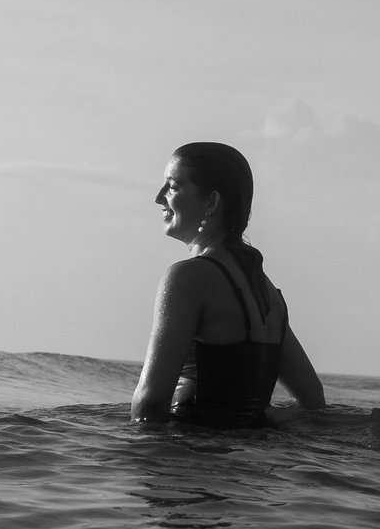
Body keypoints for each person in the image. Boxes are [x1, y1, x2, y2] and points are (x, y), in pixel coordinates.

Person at [131, 142, 324, 426]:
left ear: (211, 202)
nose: (159, 198)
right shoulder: (266, 290)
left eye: (172, 187)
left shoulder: (187, 278)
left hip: (194, 460)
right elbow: (314, 401)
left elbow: (149, 403)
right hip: (251, 463)